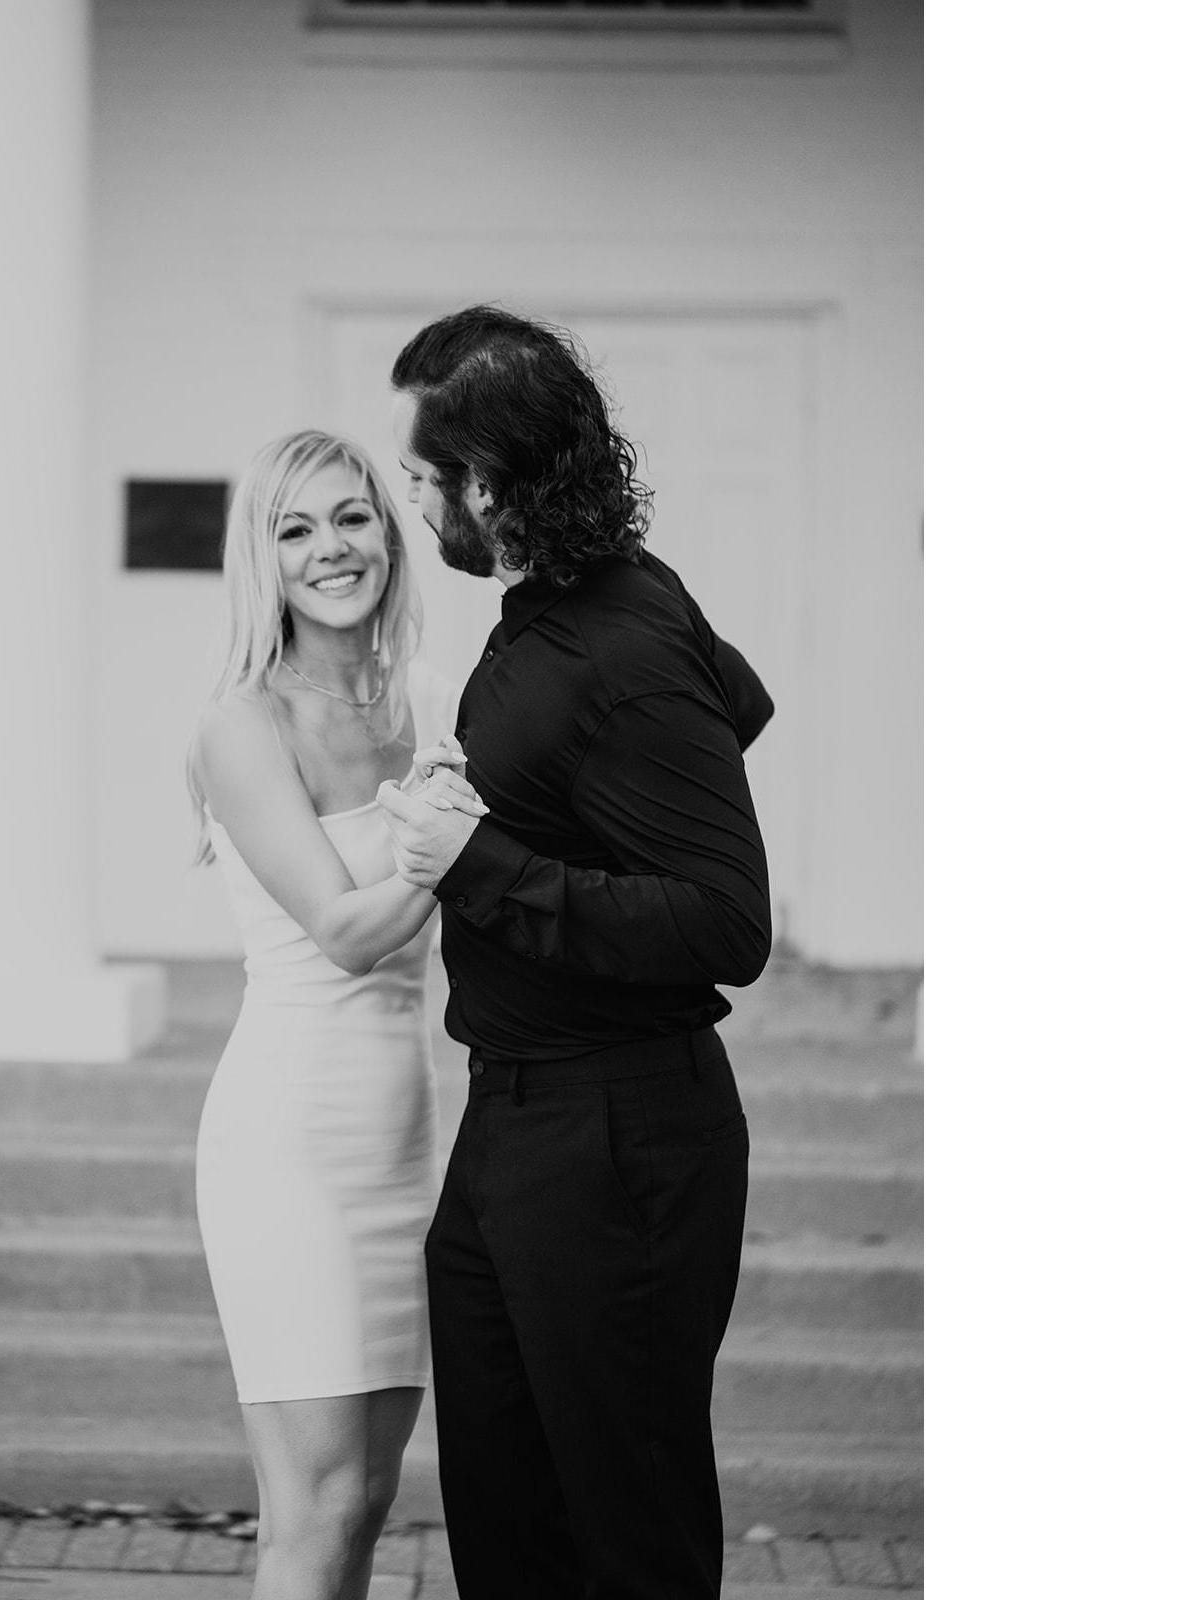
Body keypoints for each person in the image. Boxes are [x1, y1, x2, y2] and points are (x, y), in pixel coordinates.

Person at [376, 306, 776, 1600]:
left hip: (618, 1137)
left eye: (423, 474)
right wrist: (545, 801)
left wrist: (479, 858)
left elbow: (726, 922)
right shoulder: (585, 599)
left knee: (626, 1543)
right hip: (513, 1119)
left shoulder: (623, 642)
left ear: (489, 483)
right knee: (510, 1528)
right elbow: (742, 703)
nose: (411, 497)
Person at [187, 430, 481, 1600]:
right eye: (295, 529)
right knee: (314, 1506)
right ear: (262, 559)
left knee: (362, 1500)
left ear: (388, 535)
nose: (331, 549)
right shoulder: (241, 725)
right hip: (288, 1141)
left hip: (401, 1140)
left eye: (351, 517)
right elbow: (348, 934)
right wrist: (460, 836)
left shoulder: (434, 703)